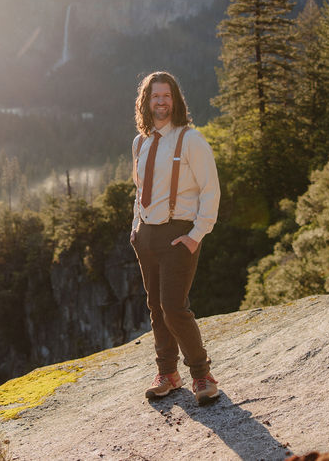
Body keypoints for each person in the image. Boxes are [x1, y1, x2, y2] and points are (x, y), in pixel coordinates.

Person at [130, 71, 221, 405]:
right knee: (156, 307)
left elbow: (211, 191)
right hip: (146, 236)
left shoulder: (191, 140)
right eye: (155, 96)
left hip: (178, 234)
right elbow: (140, 190)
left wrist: (197, 235)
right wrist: (135, 228)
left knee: (173, 308)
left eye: (166, 96)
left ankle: (202, 375)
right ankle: (167, 373)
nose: (161, 102)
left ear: (176, 100)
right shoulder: (139, 142)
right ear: (146, 102)